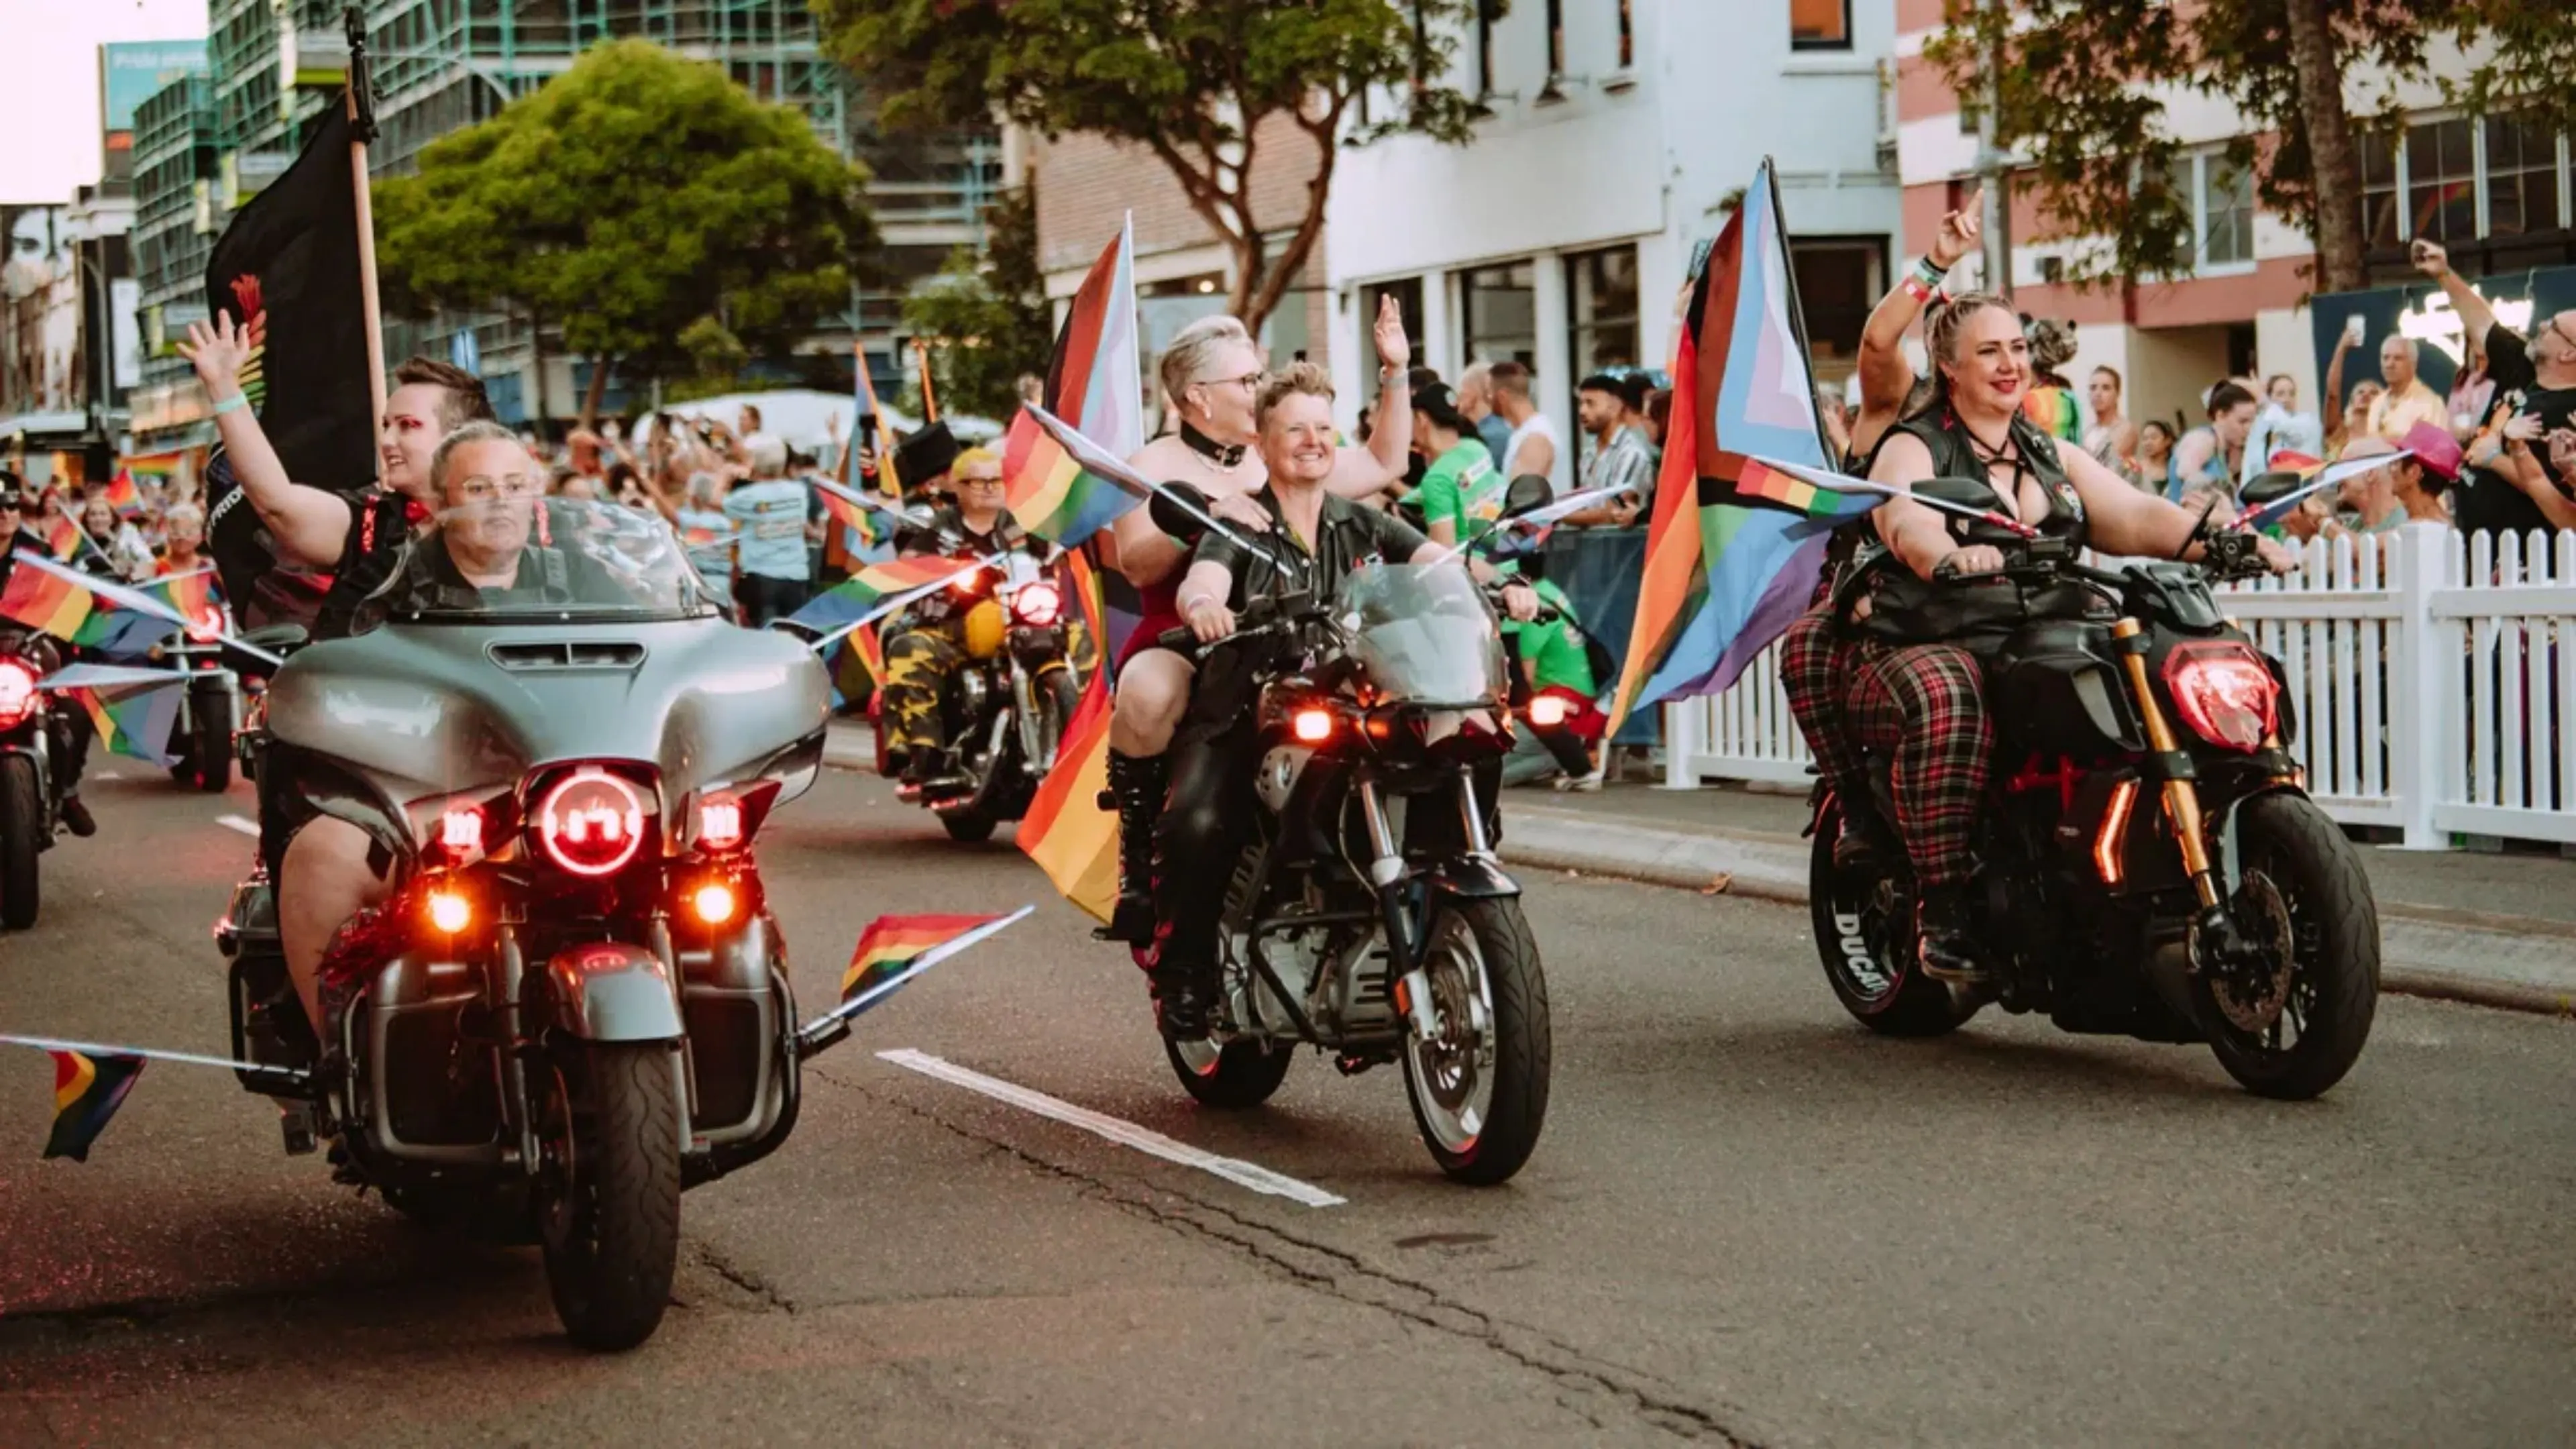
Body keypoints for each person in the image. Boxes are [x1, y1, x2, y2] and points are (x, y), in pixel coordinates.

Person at [1776, 293, 2294, 983]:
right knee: (1949, 695)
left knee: (2151, 666)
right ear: (1949, 366)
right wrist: (1946, 554)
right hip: (1923, 640)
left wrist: (2225, 543)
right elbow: (1905, 517)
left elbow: (2135, 515)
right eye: (1989, 351)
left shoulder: (2048, 450)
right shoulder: (1912, 444)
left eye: (2017, 349)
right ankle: (1946, 908)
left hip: (2040, 634)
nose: (2008, 363)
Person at [1144, 363, 1525, 1038]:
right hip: (1251, 705)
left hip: (1356, 702)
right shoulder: (1241, 524)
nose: (1314, 440)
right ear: (1262, 441)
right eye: (1295, 428)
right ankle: (1186, 970)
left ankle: (1435, 892)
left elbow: (1443, 567)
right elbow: (1202, 579)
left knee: (1462, 736)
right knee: (1198, 822)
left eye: (1323, 427)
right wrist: (1204, 607)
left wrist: (1505, 586)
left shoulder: (1365, 524)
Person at [1094, 300, 1415, 946]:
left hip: (1297, 632)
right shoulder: (1154, 462)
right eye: (1245, 381)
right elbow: (1135, 563)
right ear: (1197, 396)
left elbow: (1385, 466)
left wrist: (1395, 373)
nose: (1259, 389)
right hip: (1192, 631)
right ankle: (1139, 857)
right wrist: (1216, 513)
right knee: (1150, 693)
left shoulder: (1274, 449)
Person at [276, 426, 606, 1034]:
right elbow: (332, 675)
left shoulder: (587, 576)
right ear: (440, 502)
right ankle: (340, 1050)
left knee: (719, 866)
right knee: (322, 855)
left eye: (514, 485)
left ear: (538, 492)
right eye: (478, 487)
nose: (499, 501)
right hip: (426, 792)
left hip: (571, 789)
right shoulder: (387, 579)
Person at [178, 315, 496, 637]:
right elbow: (277, 503)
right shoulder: (373, 524)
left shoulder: (531, 525)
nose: (386, 442)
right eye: (386, 426)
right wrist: (224, 387)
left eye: (408, 426)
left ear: (462, 438)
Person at [879, 446, 1031, 793]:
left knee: (1077, 637)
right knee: (910, 648)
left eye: (996, 480)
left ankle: (1085, 740)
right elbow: (909, 563)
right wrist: (936, 571)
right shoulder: (938, 528)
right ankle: (926, 753)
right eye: (978, 482)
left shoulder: (1019, 527)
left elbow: (1050, 558)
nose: (990, 488)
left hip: (1018, 623)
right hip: (952, 627)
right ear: (957, 488)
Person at [2413, 237, 2576, 535]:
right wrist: (2443, 273)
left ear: (2569, 354)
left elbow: (2554, 491)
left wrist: (2494, 458)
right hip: (2480, 546)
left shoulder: (2570, 412)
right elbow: (2482, 323)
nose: (2541, 325)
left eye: (2553, 327)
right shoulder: (2524, 368)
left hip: (2528, 560)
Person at [1849, 187, 1982, 466]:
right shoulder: (1903, 398)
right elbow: (1878, 341)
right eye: (1942, 328)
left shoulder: (2004, 421)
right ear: (1930, 344)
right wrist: (1935, 265)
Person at [0, 474, 97, 837]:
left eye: (12, 505)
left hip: (29, 650)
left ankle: (67, 792)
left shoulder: (39, 555)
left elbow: (72, 594)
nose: (5, 514)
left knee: (72, 710)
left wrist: (91, 600)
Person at [722, 438, 814, 627]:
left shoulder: (749, 496)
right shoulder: (798, 491)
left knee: (766, 639)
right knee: (794, 635)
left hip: (762, 577)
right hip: (796, 576)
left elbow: (717, 501)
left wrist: (726, 477)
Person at [2326, 425, 2460, 540]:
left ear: (2413, 473)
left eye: (2396, 462)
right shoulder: (2421, 518)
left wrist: (2323, 522)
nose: (2391, 470)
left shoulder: (2429, 523)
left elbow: (2364, 551)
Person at [1562, 373, 1658, 527]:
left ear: (1615, 408)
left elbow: (1614, 513)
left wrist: (1559, 516)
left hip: (1623, 550)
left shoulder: (1631, 452)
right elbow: (1588, 504)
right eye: (1581, 403)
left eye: (1591, 403)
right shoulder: (1589, 453)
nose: (1582, 411)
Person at [1410, 380, 1500, 545]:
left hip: (1471, 568)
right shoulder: (1476, 448)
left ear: (1422, 419)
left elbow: (1444, 557)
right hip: (1504, 559)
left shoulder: (1436, 479)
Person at [2171, 380, 2257, 515]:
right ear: (2220, 415)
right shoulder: (2203, 439)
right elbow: (2185, 472)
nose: (2249, 428)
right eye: (2243, 421)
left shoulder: (2225, 450)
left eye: (2252, 422)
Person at [2242, 373, 2326, 484]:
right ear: (2270, 396)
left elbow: (2292, 432)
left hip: (2301, 491)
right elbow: (2249, 466)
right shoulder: (2260, 428)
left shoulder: (2308, 422)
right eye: (2280, 394)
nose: (2287, 399)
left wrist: (2264, 401)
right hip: (2263, 492)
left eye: (2292, 394)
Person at [2367, 334, 2447, 442]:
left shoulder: (2431, 404)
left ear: (2413, 364)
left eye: (2398, 358)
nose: (2390, 364)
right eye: (2386, 358)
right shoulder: (2377, 403)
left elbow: (2436, 450)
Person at [1489, 360, 1559, 481]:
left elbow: (1522, 495)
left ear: (1502, 396)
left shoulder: (1536, 437)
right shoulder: (1523, 432)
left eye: (1490, 392)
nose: (1488, 398)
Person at [79, 490, 155, 581]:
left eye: (103, 514)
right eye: (93, 514)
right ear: (86, 519)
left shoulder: (127, 532)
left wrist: (132, 574)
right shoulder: (78, 539)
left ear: (112, 518)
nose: (98, 519)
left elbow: (150, 563)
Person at [1455, 361, 1515, 472]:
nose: (1457, 400)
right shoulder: (1504, 428)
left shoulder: (1488, 437)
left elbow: (1465, 481)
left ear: (1471, 395)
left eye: (1462, 392)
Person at [2082, 366, 2139, 482]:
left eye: (2106, 388)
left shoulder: (2125, 429)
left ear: (2117, 394)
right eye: (2093, 388)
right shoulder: (2088, 432)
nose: (2098, 393)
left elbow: (2107, 470)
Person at [155, 501, 207, 577]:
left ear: (200, 536)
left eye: (188, 532)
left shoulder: (207, 566)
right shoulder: (156, 568)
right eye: (175, 532)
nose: (182, 538)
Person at [2133, 418, 2179, 497]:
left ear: (2167, 440)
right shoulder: (2137, 468)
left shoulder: (2176, 469)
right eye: (2145, 439)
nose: (2148, 443)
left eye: (2154, 438)